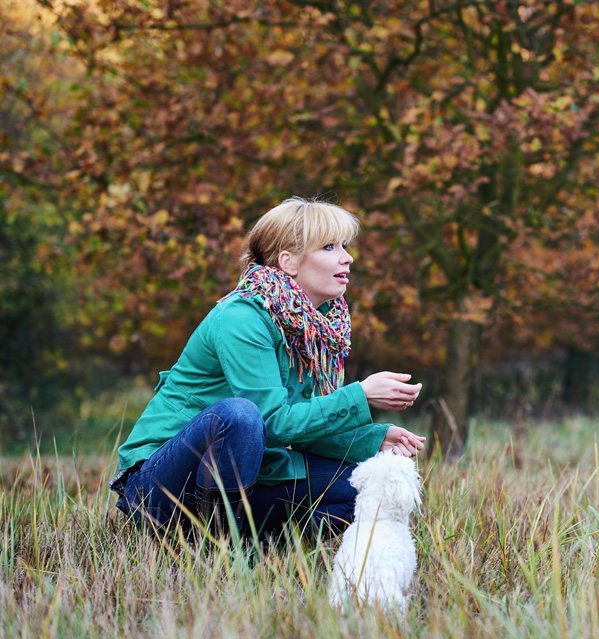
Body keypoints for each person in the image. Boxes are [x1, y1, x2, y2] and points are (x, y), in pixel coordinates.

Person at [108, 196, 426, 538]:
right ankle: (220, 546)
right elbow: (272, 423)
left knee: (365, 492)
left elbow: (300, 423)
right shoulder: (241, 317)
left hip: (248, 472)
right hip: (158, 486)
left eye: (345, 246)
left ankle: (257, 544)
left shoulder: (313, 329)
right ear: (288, 261)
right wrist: (361, 395)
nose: (347, 257)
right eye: (330, 247)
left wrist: (373, 439)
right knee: (239, 415)